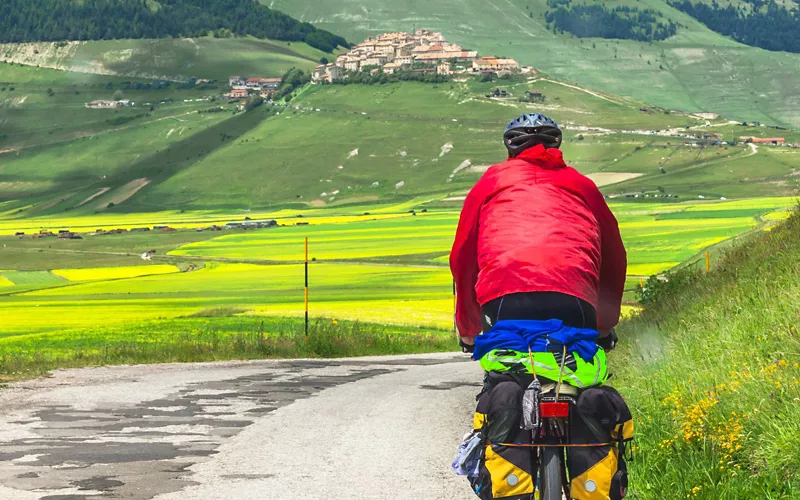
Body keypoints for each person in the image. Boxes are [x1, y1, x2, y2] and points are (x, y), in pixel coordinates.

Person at [450, 113, 627, 360]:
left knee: (505, 374)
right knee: (576, 371)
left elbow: (463, 258)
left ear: (509, 149)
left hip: (504, 294)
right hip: (573, 294)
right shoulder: (582, 185)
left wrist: (468, 328)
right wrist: (605, 324)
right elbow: (613, 256)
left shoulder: (491, 182)